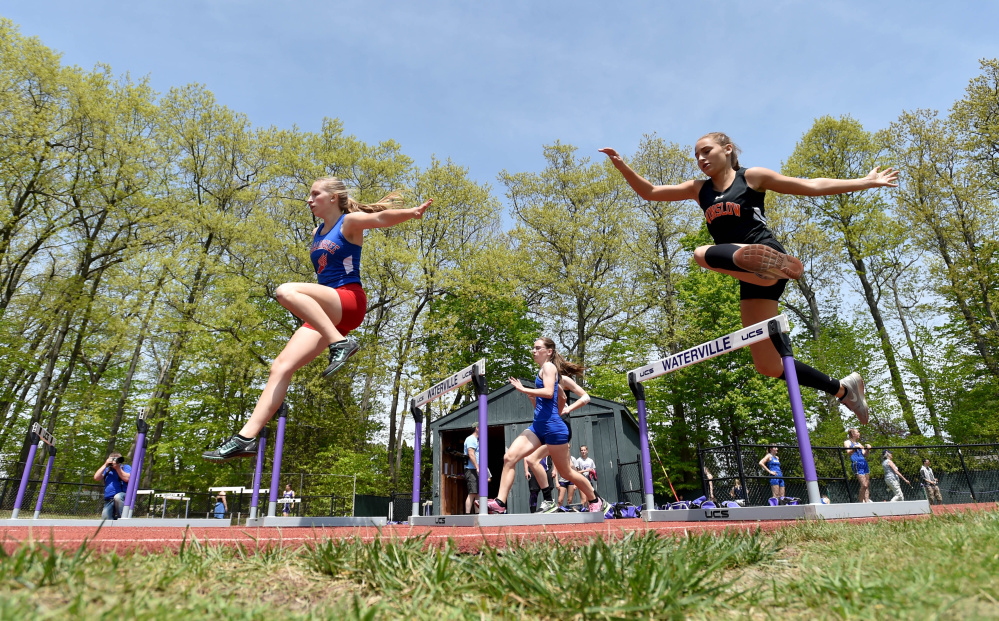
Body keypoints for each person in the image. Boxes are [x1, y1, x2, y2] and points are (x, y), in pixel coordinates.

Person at [600, 135, 898, 425]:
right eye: (696, 156)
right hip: (751, 277)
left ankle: (772, 263)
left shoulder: (751, 177)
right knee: (767, 365)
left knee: (701, 253)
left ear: (727, 149)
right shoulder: (698, 189)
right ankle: (844, 390)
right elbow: (650, 192)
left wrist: (865, 181)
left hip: (766, 253)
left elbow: (809, 186)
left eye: (706, 151)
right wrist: (623, 167)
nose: (701, 159)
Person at [203, 180, 432, 462]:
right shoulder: (316, 232)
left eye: (315, 194)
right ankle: (245, 438)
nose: (309, 200)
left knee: (285, 290)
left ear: (333, 197)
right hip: (327, 313)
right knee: (281, 366)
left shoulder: (349, 222)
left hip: (348, 299)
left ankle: (340, 343)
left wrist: (412, 213)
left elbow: (381, 218)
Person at [484, 338, 610, 514]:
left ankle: (595, 499)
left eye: (537, 348)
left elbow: (550, 392)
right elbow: (549, 400)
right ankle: (500, 504)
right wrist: (533, 399)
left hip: (554, 428)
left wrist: (524, 390)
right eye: (533, 348)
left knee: (566, 473)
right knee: (509, 458)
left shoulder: (549, 367)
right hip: (538, 426)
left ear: (549, 351)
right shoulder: (543, 370)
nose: (533, 351)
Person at [523, 372, 591, 513]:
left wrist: (568, 409)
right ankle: (596, 500)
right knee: (567, 472)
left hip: (560, 429)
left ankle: (549, 500)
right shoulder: (542, 384)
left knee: (532, 459)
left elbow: (586, 396)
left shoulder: (562, 380)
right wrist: (532, 399)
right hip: (549, 429)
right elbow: (541, 411)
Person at [94, 452, 130, 520]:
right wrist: (105, 464)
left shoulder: (125, 467)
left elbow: (127, 479)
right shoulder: (107, 469)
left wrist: (118, 468)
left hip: (122, 496)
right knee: (105, 521)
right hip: (109, 499)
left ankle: (122, 518)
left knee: (118, 497)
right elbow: (96, 477)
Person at [845, 428, 872, 502]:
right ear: (853, 434)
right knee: (864, 485)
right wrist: (855, 448)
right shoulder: (847, 442)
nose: (859, 433)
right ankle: (860, 502)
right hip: (857, 463)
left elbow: (865, 454)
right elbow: (848, 452)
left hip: (864, 463)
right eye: (857, 432)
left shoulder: (859, 443)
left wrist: (867, 449)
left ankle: (867, 502)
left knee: (867, 485)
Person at [464, 424, 481, 514]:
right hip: (471, 469)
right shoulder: (471, 439)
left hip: (476, 469)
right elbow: (471, 454)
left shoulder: (477, 440)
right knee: (472, 493)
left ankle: (478, 515)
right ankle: (467, 515)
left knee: (478, 493)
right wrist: (477, 467)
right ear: (477, 428)